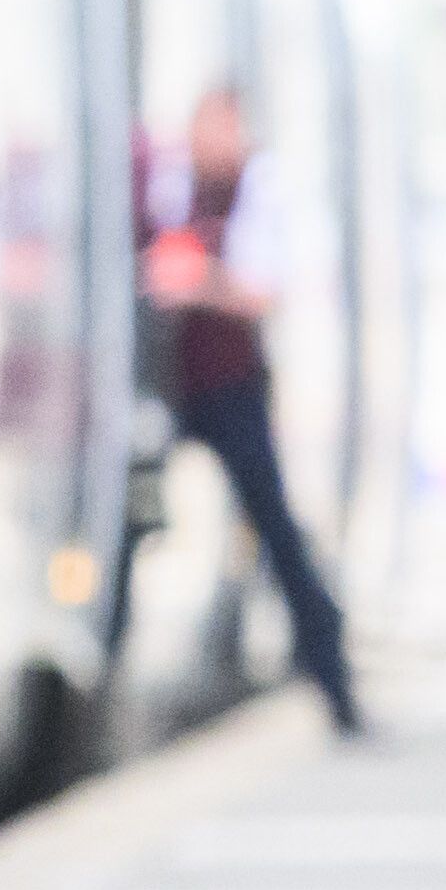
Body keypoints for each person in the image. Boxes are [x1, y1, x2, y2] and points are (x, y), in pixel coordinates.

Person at [149, 82, 365, 735]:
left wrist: (200, 283)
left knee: (275, 528)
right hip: (174, 384)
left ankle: (333, 678)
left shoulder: (259, 191)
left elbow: (264, 290)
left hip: (231, 386)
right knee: (144, 518)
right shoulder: (173, 186)